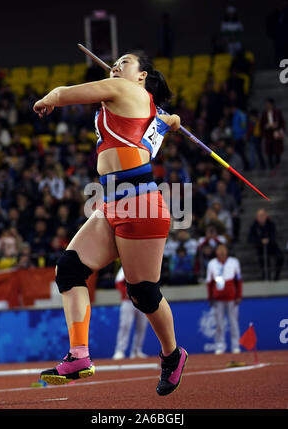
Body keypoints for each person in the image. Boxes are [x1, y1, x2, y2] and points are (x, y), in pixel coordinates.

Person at [33, 52, 188, 396]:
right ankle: (78, 356)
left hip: (141, 202)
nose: (117, 66)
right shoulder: (140, 104)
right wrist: (170, 119)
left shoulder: (122, 89)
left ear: (142, 76)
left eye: (125, 62)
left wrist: (49, 99)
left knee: (143, 293)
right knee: (70, 269)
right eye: (115, 62)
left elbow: (63, 94)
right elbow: (155, 125)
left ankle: (172, 355)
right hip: (111, 201)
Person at [206, 244, 242, 354]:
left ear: (226, 251)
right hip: (218, 298)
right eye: (219, 249)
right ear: (216, 252)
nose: (221, 251)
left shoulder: (234, 262)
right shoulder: (212, 263)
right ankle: (220, 345)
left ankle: (235, 345)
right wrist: (210, 297)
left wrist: (239, 296)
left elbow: (239, 281)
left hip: (231, 298)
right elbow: (209, 282)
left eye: (223, 249)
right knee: (219, 324)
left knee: (233, 322)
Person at [112, 266, 148, 360]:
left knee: (142, 326)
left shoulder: (147, 265)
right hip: (128, 301)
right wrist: (128, 293)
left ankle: (136, 351)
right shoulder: (126, 265)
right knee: (125, 325)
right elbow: (118, 282)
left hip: (143, 301)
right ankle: (120, 351)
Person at [248, 209, 284, 281]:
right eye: (260, 216)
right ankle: (266, 276)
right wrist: (260, 241)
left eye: (263, 215)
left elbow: (274, 235)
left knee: (280, 256)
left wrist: (268, 240)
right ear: (257, 217)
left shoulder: (271, 224)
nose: (261, 217)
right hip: (260, 247)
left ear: (266, 216)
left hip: (271, 246)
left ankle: (276, 276)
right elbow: (250, 238)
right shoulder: (254, 226)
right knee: (264, 259)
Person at [260, 98, 286, 174]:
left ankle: (277, 164)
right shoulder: (264, 114)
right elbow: (262, 125)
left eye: (268, 104)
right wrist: (267, 126)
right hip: (269, 136)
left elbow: (282, 123)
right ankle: (271, 167)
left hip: (276, 134)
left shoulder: (277, 112)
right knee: (269, 152)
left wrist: (278, 127)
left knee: (277, 151)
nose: (267, 106)